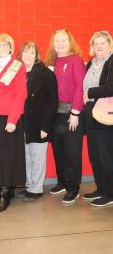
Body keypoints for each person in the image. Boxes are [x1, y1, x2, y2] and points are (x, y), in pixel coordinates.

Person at [0, 33, 27, 213]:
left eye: (5, 45)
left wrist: (12, 120)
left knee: (6, 155)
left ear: (11, 47)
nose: (1, 48)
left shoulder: (17, 66)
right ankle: (6, 188)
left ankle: (4, 192)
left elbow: (21, 94)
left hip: (8, 117)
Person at [45, 29, 86, 204]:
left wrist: (76, 112)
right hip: (56, 114)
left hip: (72, 114)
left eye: (63, 40)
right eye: (56, 41)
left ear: (70, 42)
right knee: (59, 151)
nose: (59, 43)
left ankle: (73, 188)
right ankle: (62, 182)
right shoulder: (52, 62)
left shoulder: (75, 60)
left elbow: (80, 87)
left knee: (71, 152)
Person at [17, 41, 58, 202]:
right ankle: (29, 185)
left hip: (39, 123)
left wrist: (45, 126)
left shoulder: (45, 73)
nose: (28, 55)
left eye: (31, 52)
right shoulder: (18, 72)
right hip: (22, 123)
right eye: (25, 52)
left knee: (37, 156)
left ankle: (36, 188)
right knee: (26, 156)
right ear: (20, 54)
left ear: (36, 55)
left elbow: (52, 102)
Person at [83, 31, 113, 207]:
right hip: (90, 111)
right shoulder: (91, 63)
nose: (99, 46)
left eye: (103, 43)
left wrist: (89, 92)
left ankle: (110, 193)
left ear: (110, 44)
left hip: (105, 113)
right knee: (94, 154)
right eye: (96, 43)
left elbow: (111, 87)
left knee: (106, 155)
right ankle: (101, 188)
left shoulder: (111, 61)